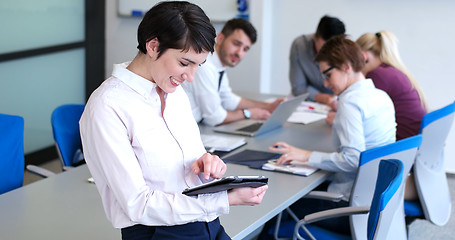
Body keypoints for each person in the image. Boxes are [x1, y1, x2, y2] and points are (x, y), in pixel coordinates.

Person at [79, 2, 268, 240]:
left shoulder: (174, 92)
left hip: (206, 223)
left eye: (198, 66)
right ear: (153, 45)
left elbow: (191, 163)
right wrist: (225, 199)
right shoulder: (107, 106)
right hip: (157, 232)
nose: (190, 77)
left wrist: (207, 164)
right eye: (184, 63)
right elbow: (138, 205)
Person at [260, 35, 396, 237]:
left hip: (349, 206)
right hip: (375, 203)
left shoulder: (350, 103)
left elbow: (352, 159)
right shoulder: (381, 96)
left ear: (346, 66)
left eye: (328, 75)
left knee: (279, 206)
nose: (325, 83)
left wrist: (306, 156)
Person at [182, 18, 283, 126]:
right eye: (236, 44)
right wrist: (248, 113)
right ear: (220, 38)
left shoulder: (218, 66)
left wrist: (268, 106)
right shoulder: (205, 65)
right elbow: (215, 118)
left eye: (245, 49)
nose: (239, 53)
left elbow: (229, 100)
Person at [356, 30, 428, 141]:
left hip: (399, 145)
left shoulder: (377, 75)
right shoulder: (393, 71)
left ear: (363, 56)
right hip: (411, 143)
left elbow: (362, 119)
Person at [289, 15, 345, 109]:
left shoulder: (347, 50)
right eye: (325, 47)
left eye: (334, 48)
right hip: (312, 105)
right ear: (315, 38)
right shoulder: (300, 47)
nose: (329, 52)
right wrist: (326, 99)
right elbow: (298, 88)